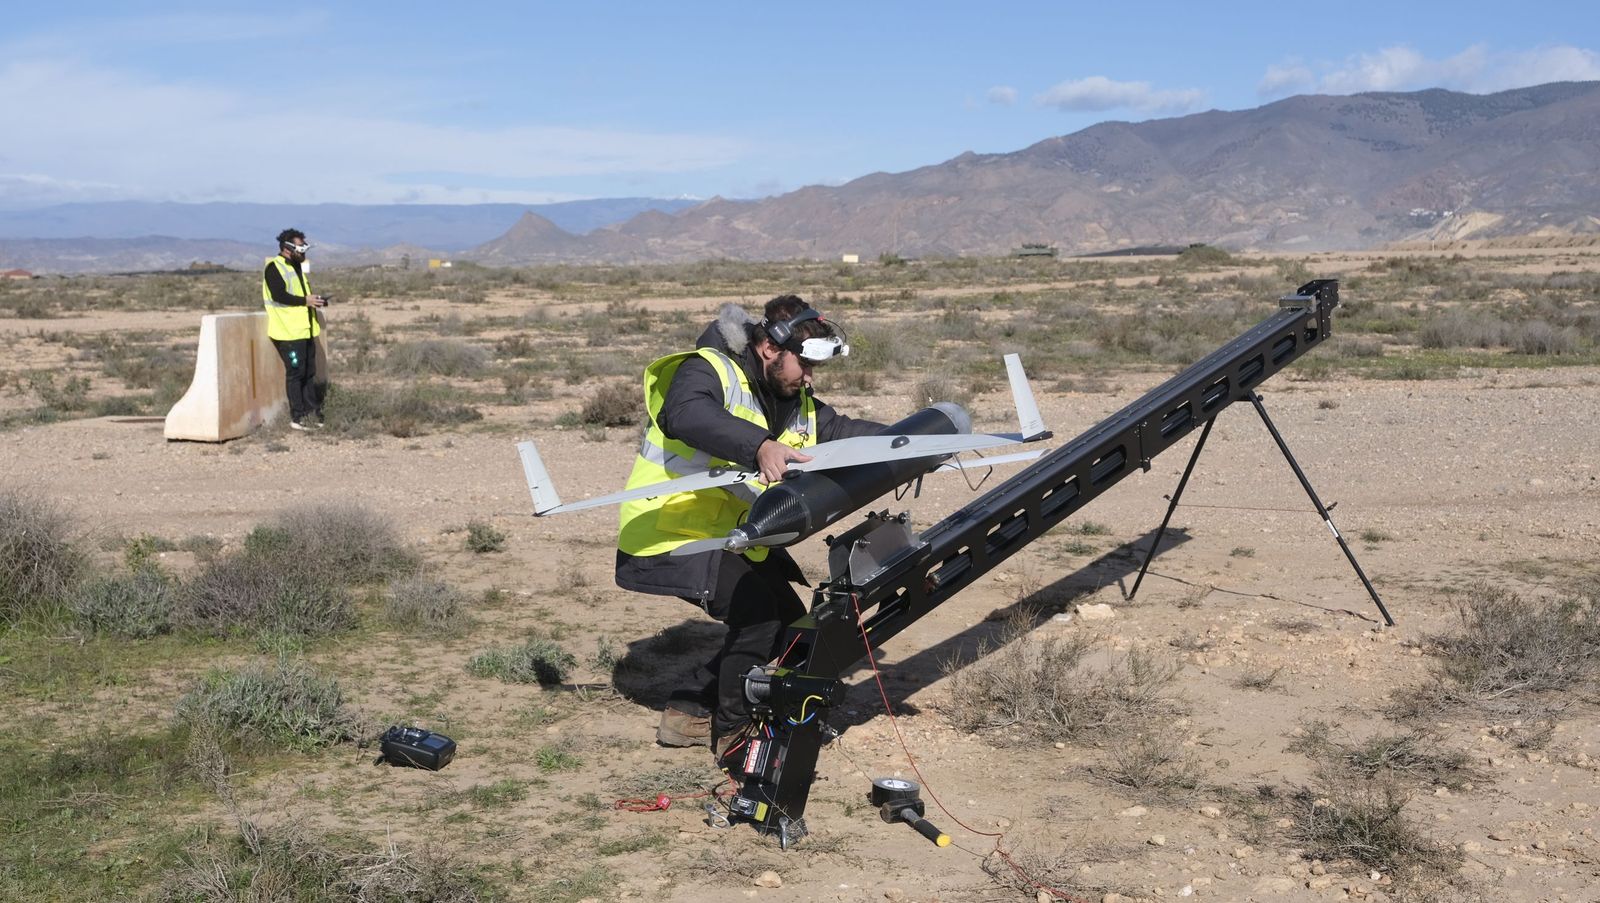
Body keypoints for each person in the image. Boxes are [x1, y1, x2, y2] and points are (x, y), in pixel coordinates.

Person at [615, 295, 884, 757]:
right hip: (668, 531)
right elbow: (687, 414)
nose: (810, 378)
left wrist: (920, 439)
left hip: (728, 537)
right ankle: (734, 735)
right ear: (769, 348)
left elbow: (843, 431)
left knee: (790, 627)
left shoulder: (794, 400)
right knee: (759, 616)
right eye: (804, 365)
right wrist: (759, 445)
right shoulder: (706, 370)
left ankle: (688, 712)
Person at [262, 228, 329, 430]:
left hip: (304, 330)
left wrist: (315, 301)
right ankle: (297, 418)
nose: (303, 251)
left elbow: (301, 296)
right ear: (287, 248)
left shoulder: (296, 267)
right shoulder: (274, 267)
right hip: (288, 333)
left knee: (309, 372)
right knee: (296, 373)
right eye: (300, 247)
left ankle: (312, 414)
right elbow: (279, 295)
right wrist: (304, 301)